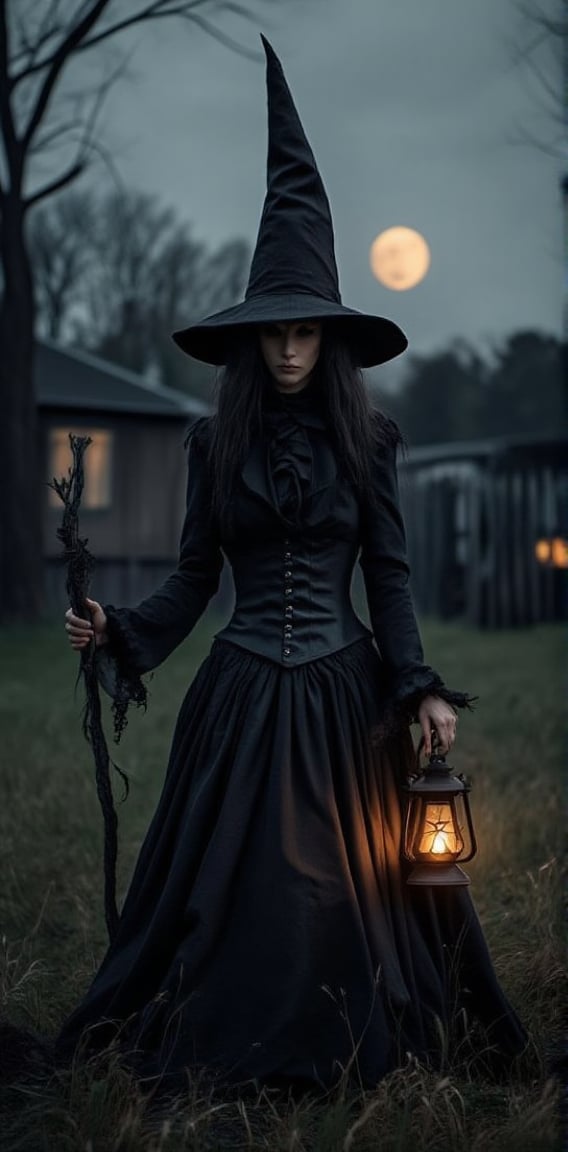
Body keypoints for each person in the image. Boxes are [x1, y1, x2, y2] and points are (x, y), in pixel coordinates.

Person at [56, 37, 526, 1093]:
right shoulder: (210, 444)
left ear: (333, 337)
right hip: (238, 703)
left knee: (346, 887)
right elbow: (192, 579)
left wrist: (416, 688)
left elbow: (390, 577)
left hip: (341, 701)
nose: (287, 351)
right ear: (246, 339)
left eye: (306, 331)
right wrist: (123, 629)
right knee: (228, 898)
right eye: (271, 333)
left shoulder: (372, 442)